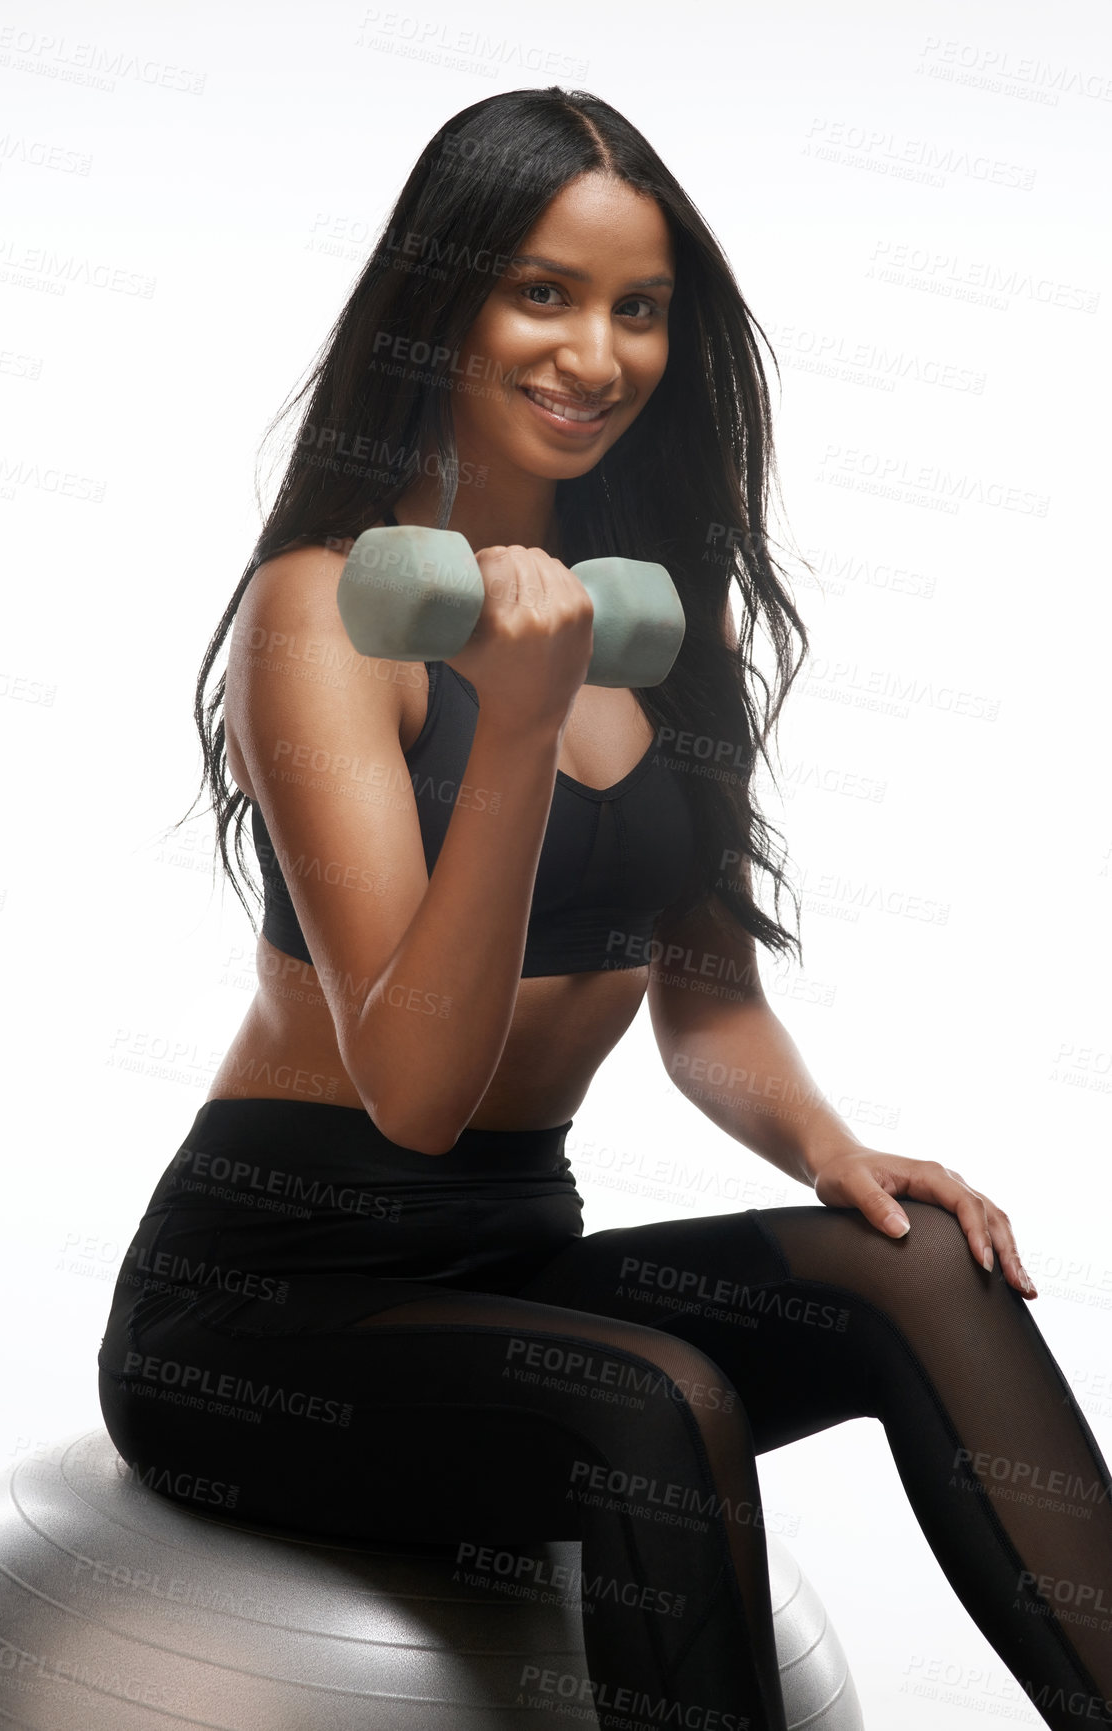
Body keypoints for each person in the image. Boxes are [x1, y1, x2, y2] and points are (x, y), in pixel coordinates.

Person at [98, 87, 1112, 1731]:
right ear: (441, 298)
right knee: (649, 1401)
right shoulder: (326, 614)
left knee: (922, 1270)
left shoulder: (655, 619)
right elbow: (418, 1094)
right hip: (271, 1306)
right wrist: (513, 720)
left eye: (639, 309)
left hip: (508, 1260)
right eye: (544, 293)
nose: (599, 354)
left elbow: (704, 994)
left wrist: (830, 1153)